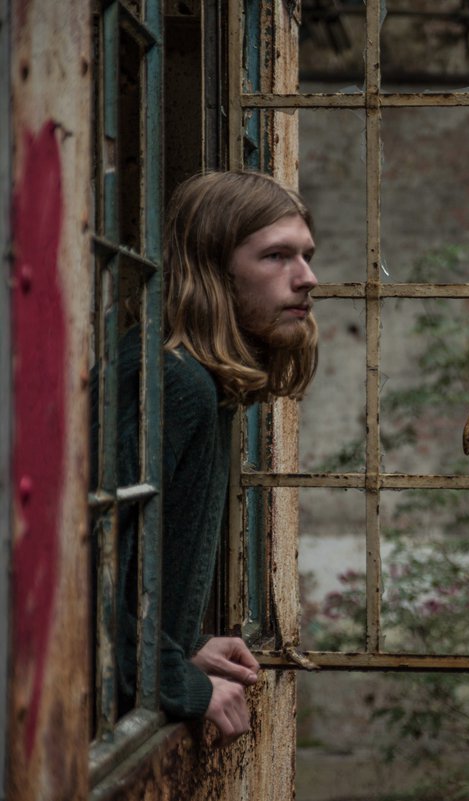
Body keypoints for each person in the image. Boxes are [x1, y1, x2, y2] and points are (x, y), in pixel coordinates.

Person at [110, 170, 319, 745]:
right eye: (276, 256)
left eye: (306, 255)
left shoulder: (201, 380)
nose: (307, 278)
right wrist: (179, 679)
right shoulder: (174, 380)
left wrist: (184, 645)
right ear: (213, 270)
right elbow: (88, 579)